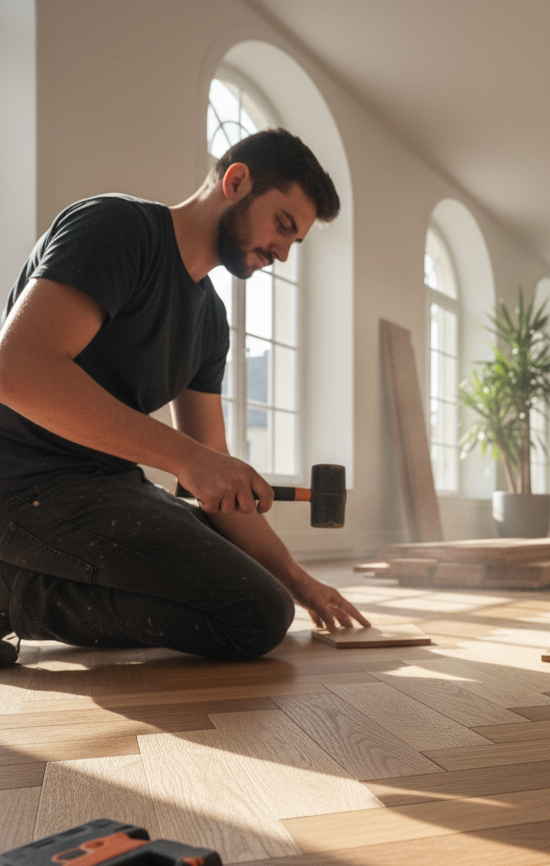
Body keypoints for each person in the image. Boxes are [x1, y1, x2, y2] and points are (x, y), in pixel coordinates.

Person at [0, 128, 370, 664]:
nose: (283, 253)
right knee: (255, 615)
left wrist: (298, 579)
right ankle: (8, 599)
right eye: (283, 226)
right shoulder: (117, 227)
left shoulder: (210, 322)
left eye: (295, 242)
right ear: (236, 181)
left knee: (267, 595)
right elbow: (17, 369)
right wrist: (190, 460)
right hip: (22, 486)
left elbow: (211, 476)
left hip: (108, 488)